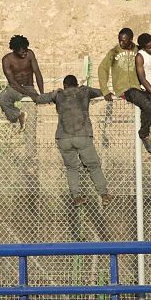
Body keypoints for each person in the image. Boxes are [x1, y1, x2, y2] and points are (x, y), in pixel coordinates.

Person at [36, 75, 111, 206]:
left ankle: (76, 197)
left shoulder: (59, 95)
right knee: (93, 166)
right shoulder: (84, 91)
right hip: (82, 135)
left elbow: (40, 99)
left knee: (71, 168)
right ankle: (104, 194)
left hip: (63, 137)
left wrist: (55, 92)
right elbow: (102, 92)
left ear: (64, 85)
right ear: (76, 84)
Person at [0, 35, 43, 131]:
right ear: (14, 50)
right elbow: (12, 82)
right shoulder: (6, 60)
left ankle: (30, 142)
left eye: (26, 50)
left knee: (31, 118)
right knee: (2, 99)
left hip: (29, 87)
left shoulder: (30, 54)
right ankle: (18, 115)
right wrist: (29, 94)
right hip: (15, 88)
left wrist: (41, 93)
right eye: (22, 51)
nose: (25, 53)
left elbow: (37, 73)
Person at [98, 28, 139, 102]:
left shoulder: (138, 50)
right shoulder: (114, 52)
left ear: (131, 39)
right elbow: (103, 68)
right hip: (122, 90)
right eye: (119, 40)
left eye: (124, 41)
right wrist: (105, 91)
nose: (121, 43)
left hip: (138, 89)